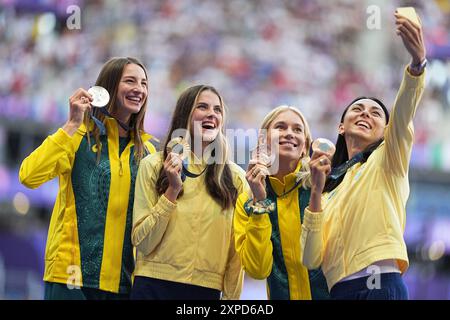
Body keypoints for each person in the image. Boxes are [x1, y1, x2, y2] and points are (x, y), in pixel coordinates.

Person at [300, 11, 426, 300]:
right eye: (357, 109)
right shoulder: (329, 188)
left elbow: (405, 112)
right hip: (340, 291)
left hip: (380, 284)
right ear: (341, 126)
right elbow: (310, 258)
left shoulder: (387, 159)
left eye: (376, 113)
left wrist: (417, 66)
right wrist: (317, 193)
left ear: (386, 131)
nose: (366, 113)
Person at [19, 57, 157, 299]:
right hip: (70, 281)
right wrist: (72, 124)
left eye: (144, 83)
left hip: (122, 285)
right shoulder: (78, 136)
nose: (139, 89)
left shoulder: (147, 152)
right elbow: (29, 176)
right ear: (108, 87)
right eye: (130, 81)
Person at [130, 85, 248, 300]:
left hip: (205, 292)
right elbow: (143, 242)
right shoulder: (153, 165)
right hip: (152, 287)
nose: (212, 113)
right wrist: (172, 191)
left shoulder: (236, 178)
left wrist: (231, 300)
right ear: (185, 114)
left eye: (217, 109)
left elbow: (235, 254)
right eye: (202, 106)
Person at [234, 105, 330, 300]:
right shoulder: (247, 201)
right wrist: (260, 202)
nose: (289, 134)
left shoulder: (323, 189)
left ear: (305, 146)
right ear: (263, 142)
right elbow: (258, 269)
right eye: (280, 127)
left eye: (297, 129)